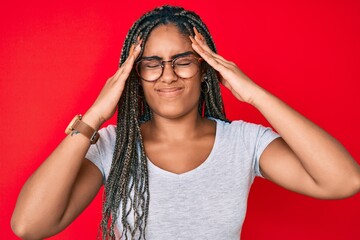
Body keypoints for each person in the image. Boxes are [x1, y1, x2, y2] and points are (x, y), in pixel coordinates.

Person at [11, 5, 360, 240]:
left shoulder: (243, 142)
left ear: (206, 69)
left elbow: (344, 181)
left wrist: (253, 93)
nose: (168, 76)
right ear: (134, 75)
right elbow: (29, 226)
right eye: (152, 63)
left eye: (183, 61)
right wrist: (95, 116)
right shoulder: (112, 144)